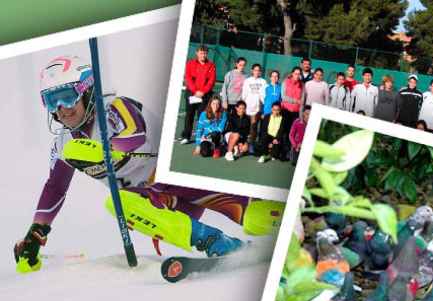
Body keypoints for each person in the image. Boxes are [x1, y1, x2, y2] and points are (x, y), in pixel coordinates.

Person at [14, 56, 244, 273]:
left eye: (67, 96)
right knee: (118, 202)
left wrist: (104, 151)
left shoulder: (114, 108)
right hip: (159, 202)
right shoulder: (64, 144)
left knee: (255, 217)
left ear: (87, 91)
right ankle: (213, 240)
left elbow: (135, 135)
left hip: (182, 181)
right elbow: (55, 188)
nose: (62, 108)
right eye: (52, 101)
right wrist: (36, 232)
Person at [180, 45, 216, 144]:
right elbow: (188, 78)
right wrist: (195, 91)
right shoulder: (190, 63)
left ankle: (202, 136)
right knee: (189, 115)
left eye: (205, 53)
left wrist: (203, 92)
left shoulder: (211, 65)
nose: (203, 55)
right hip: (192, 94)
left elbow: (211, 81)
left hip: (204, 96)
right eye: (201, 53)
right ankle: (186, 136)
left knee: (202, 116)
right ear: (197, 53)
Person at [281, 67, 304, 159]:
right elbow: (283, 97)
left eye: (299, 74)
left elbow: (302, 100)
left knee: (293, 134)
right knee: (284, 132)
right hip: (285, 110)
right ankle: (282, 151)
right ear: (292, 73)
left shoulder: (302, 85)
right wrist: (295, 101)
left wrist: (301, 113)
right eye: (296, 73)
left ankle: (290, 153)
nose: (297, 76)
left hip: (296, 112)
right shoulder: (285, 82)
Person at [241, 64, 267, 148]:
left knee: (254, 127)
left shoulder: (263, 81)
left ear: (260, 72)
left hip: (257, 109)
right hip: (247, 108)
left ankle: (251, 145)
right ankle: (243, 144)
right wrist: (243, 107)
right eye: (255, 70)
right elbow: (244, 94)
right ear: (252, 71)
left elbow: (264, 96)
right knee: (245, 127)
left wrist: (261, 105)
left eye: (258, 70)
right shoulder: (247, 81)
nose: (257, 72)